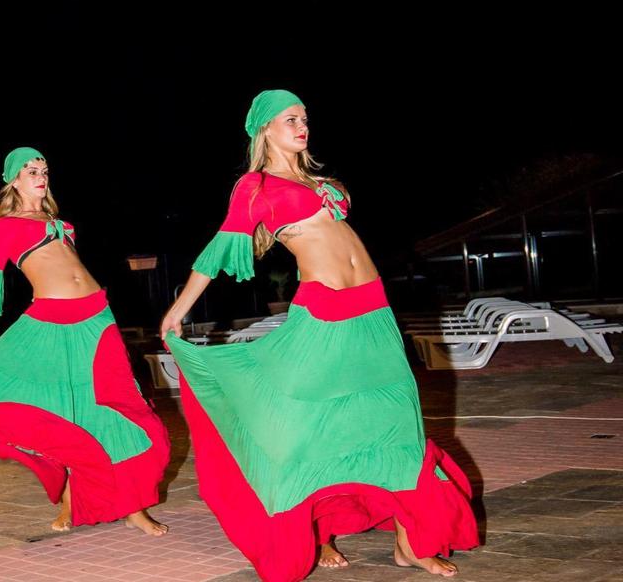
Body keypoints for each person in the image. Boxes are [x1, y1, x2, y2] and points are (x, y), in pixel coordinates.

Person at [161, 91, 478, 581]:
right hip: (324, 313)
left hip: (372, 309)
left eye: (304, 118)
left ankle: (409, 542)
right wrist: (178, 309)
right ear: (264, 128)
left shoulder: (320, 181)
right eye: (290, 119)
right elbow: (218, 248)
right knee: (308, 426)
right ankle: (317, 528)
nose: (302, 126)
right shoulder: (255, 186)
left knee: (398, 424)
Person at [0, 147, 170, 536]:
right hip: (50, 323)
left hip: (97, 320)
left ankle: (133, 506)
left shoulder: (64, 225)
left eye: (44, 170)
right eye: (30, 171)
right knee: (64, 413)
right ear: (13, 180)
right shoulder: (4, 227)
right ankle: (71, 501)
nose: (40, 176)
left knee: (121, 408)